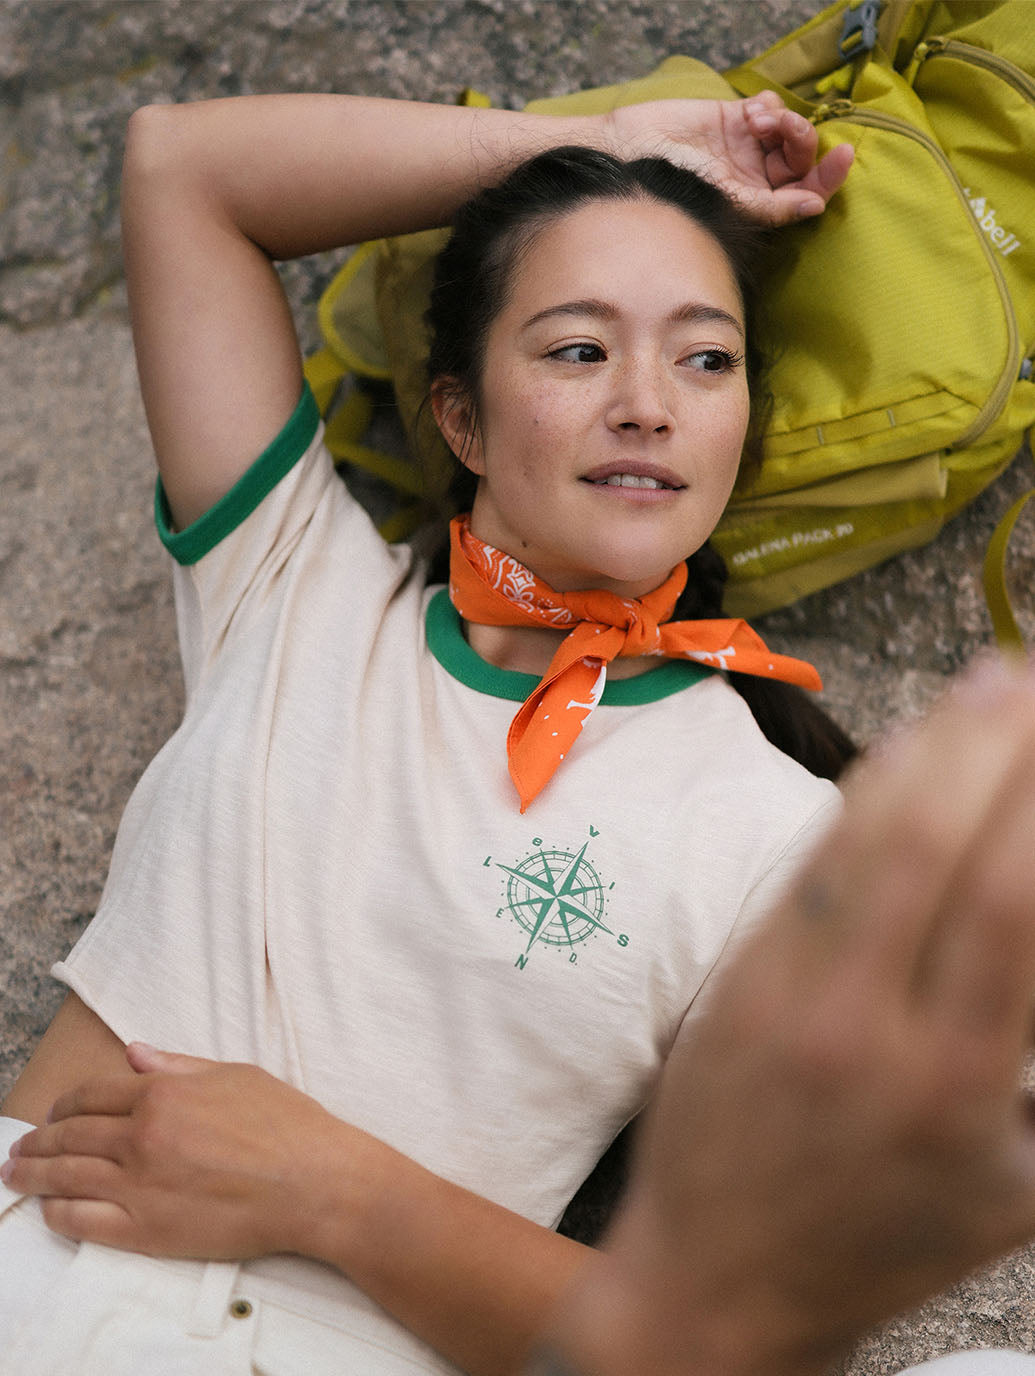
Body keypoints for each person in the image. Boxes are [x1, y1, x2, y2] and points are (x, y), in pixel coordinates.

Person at [1, 84, 1031, 1376]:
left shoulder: (775, 831)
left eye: (706, 358)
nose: (648, 402)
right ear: (462, 419)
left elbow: (715, 1333)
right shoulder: (294, 584)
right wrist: (610, 148)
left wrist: (332, 1189)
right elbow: (180, 168)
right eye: (578, 349)